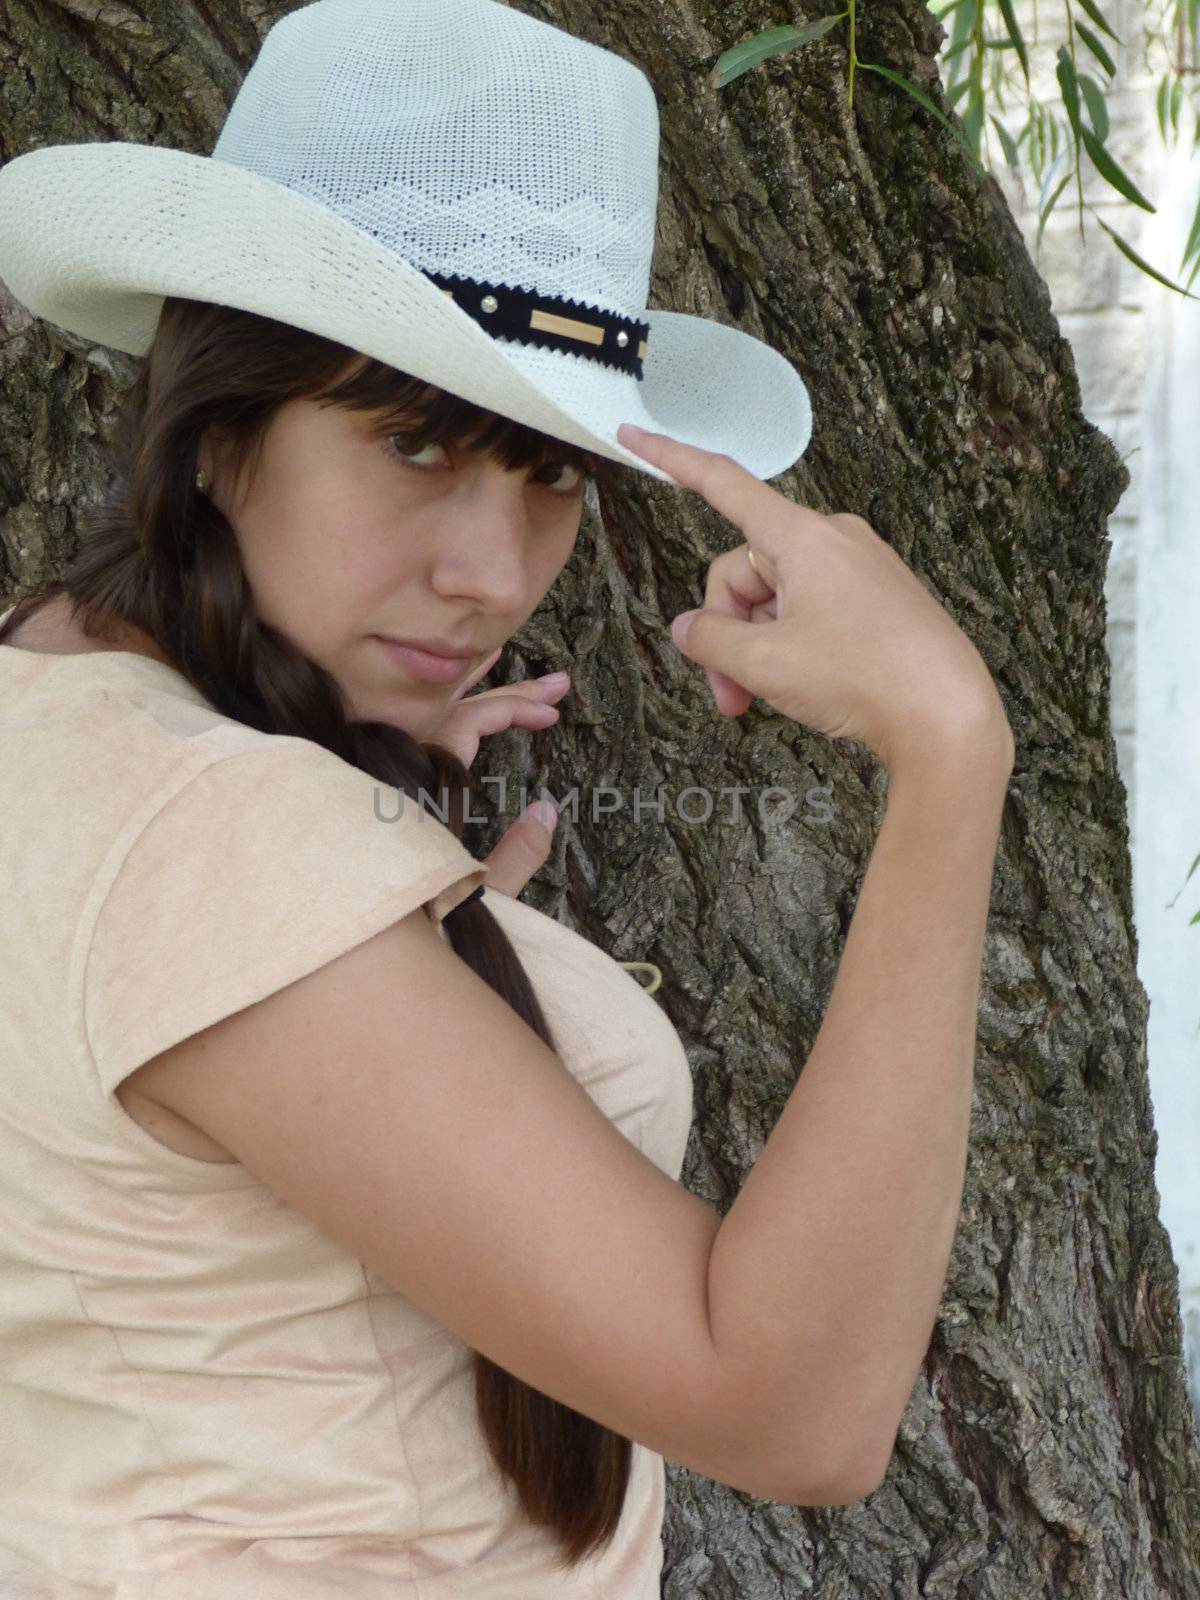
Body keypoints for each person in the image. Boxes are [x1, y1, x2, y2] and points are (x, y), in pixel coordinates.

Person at [0, 0, 1014, 1596]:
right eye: (411, 442)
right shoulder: (219, 840)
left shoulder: (57, 695)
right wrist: (953, 757)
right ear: (213, 432)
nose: (490, 575)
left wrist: (373, 896)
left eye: (550, 470)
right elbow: (798, 1415)